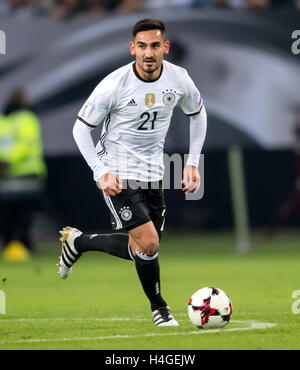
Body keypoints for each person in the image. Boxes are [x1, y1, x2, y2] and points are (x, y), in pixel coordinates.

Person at [57, 19, 207, 326]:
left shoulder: (179, 79)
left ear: (165, 47)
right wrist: (100, 171)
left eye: (154, 45)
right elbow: (80, 130)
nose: (148, 53)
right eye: (142, 46)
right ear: (132, 48)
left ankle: (79, 242)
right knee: (148, 244)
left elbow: (198, 113)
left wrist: (192, 162)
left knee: (144, 249)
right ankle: (160, 308)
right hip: (117, 172)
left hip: (153, 172)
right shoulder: (115, 84)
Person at [0, 88, 47, 259]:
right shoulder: (27, 118)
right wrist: (8, 160)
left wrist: (4, 161)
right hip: (26, 173)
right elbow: (26, 144)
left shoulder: (3, 121)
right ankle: (22, 245)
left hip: (6, 174)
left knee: (8, 213)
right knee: (24, 214)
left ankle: (10, 245)